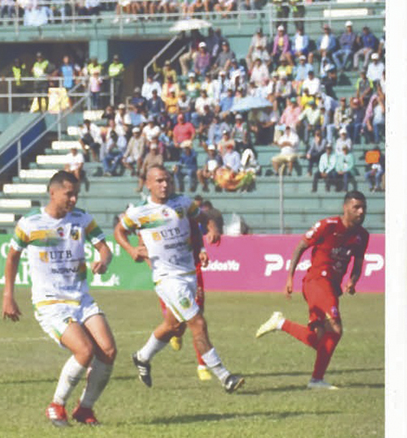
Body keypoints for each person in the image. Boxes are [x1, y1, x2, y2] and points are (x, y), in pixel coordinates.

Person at [1, 171, 117, 426]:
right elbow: (12, 257)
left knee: (108, 351)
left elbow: (104, 248)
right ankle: (56, 406)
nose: (74, 199)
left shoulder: (82, 219)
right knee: (84, 351)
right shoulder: (30, 223)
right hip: (50, 302)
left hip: (81, 299)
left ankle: (85, 409)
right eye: (69, 194)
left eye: (76, 194)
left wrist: (104, 261)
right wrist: (8, 296)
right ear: (52, 193)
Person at [115, 166, 243, 393]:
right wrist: (131, 250)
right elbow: (119, 231)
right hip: (167, 278)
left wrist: (211, 229)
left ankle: (142, 357)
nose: (165, 185)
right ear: (148, 184)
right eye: (159, 181)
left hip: (188, 273)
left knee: (173, 326)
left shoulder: (183, 204)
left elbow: (203, 218)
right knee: (198, 323)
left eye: (168, 180)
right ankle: (225, 377)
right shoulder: (140, 213)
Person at [255, 191, 369, 390]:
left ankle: (280, 323)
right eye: (356, 207)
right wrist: (290, 277)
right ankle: (316, 380)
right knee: (335, 328)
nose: (361, 211)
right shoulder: (328, 226)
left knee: (319, 339)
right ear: (345, 208)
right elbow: (300, 247)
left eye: (363, 208)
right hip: (317, 281)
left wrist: (353, 280)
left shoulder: (362, 236)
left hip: (331, 287)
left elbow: (358, 263)